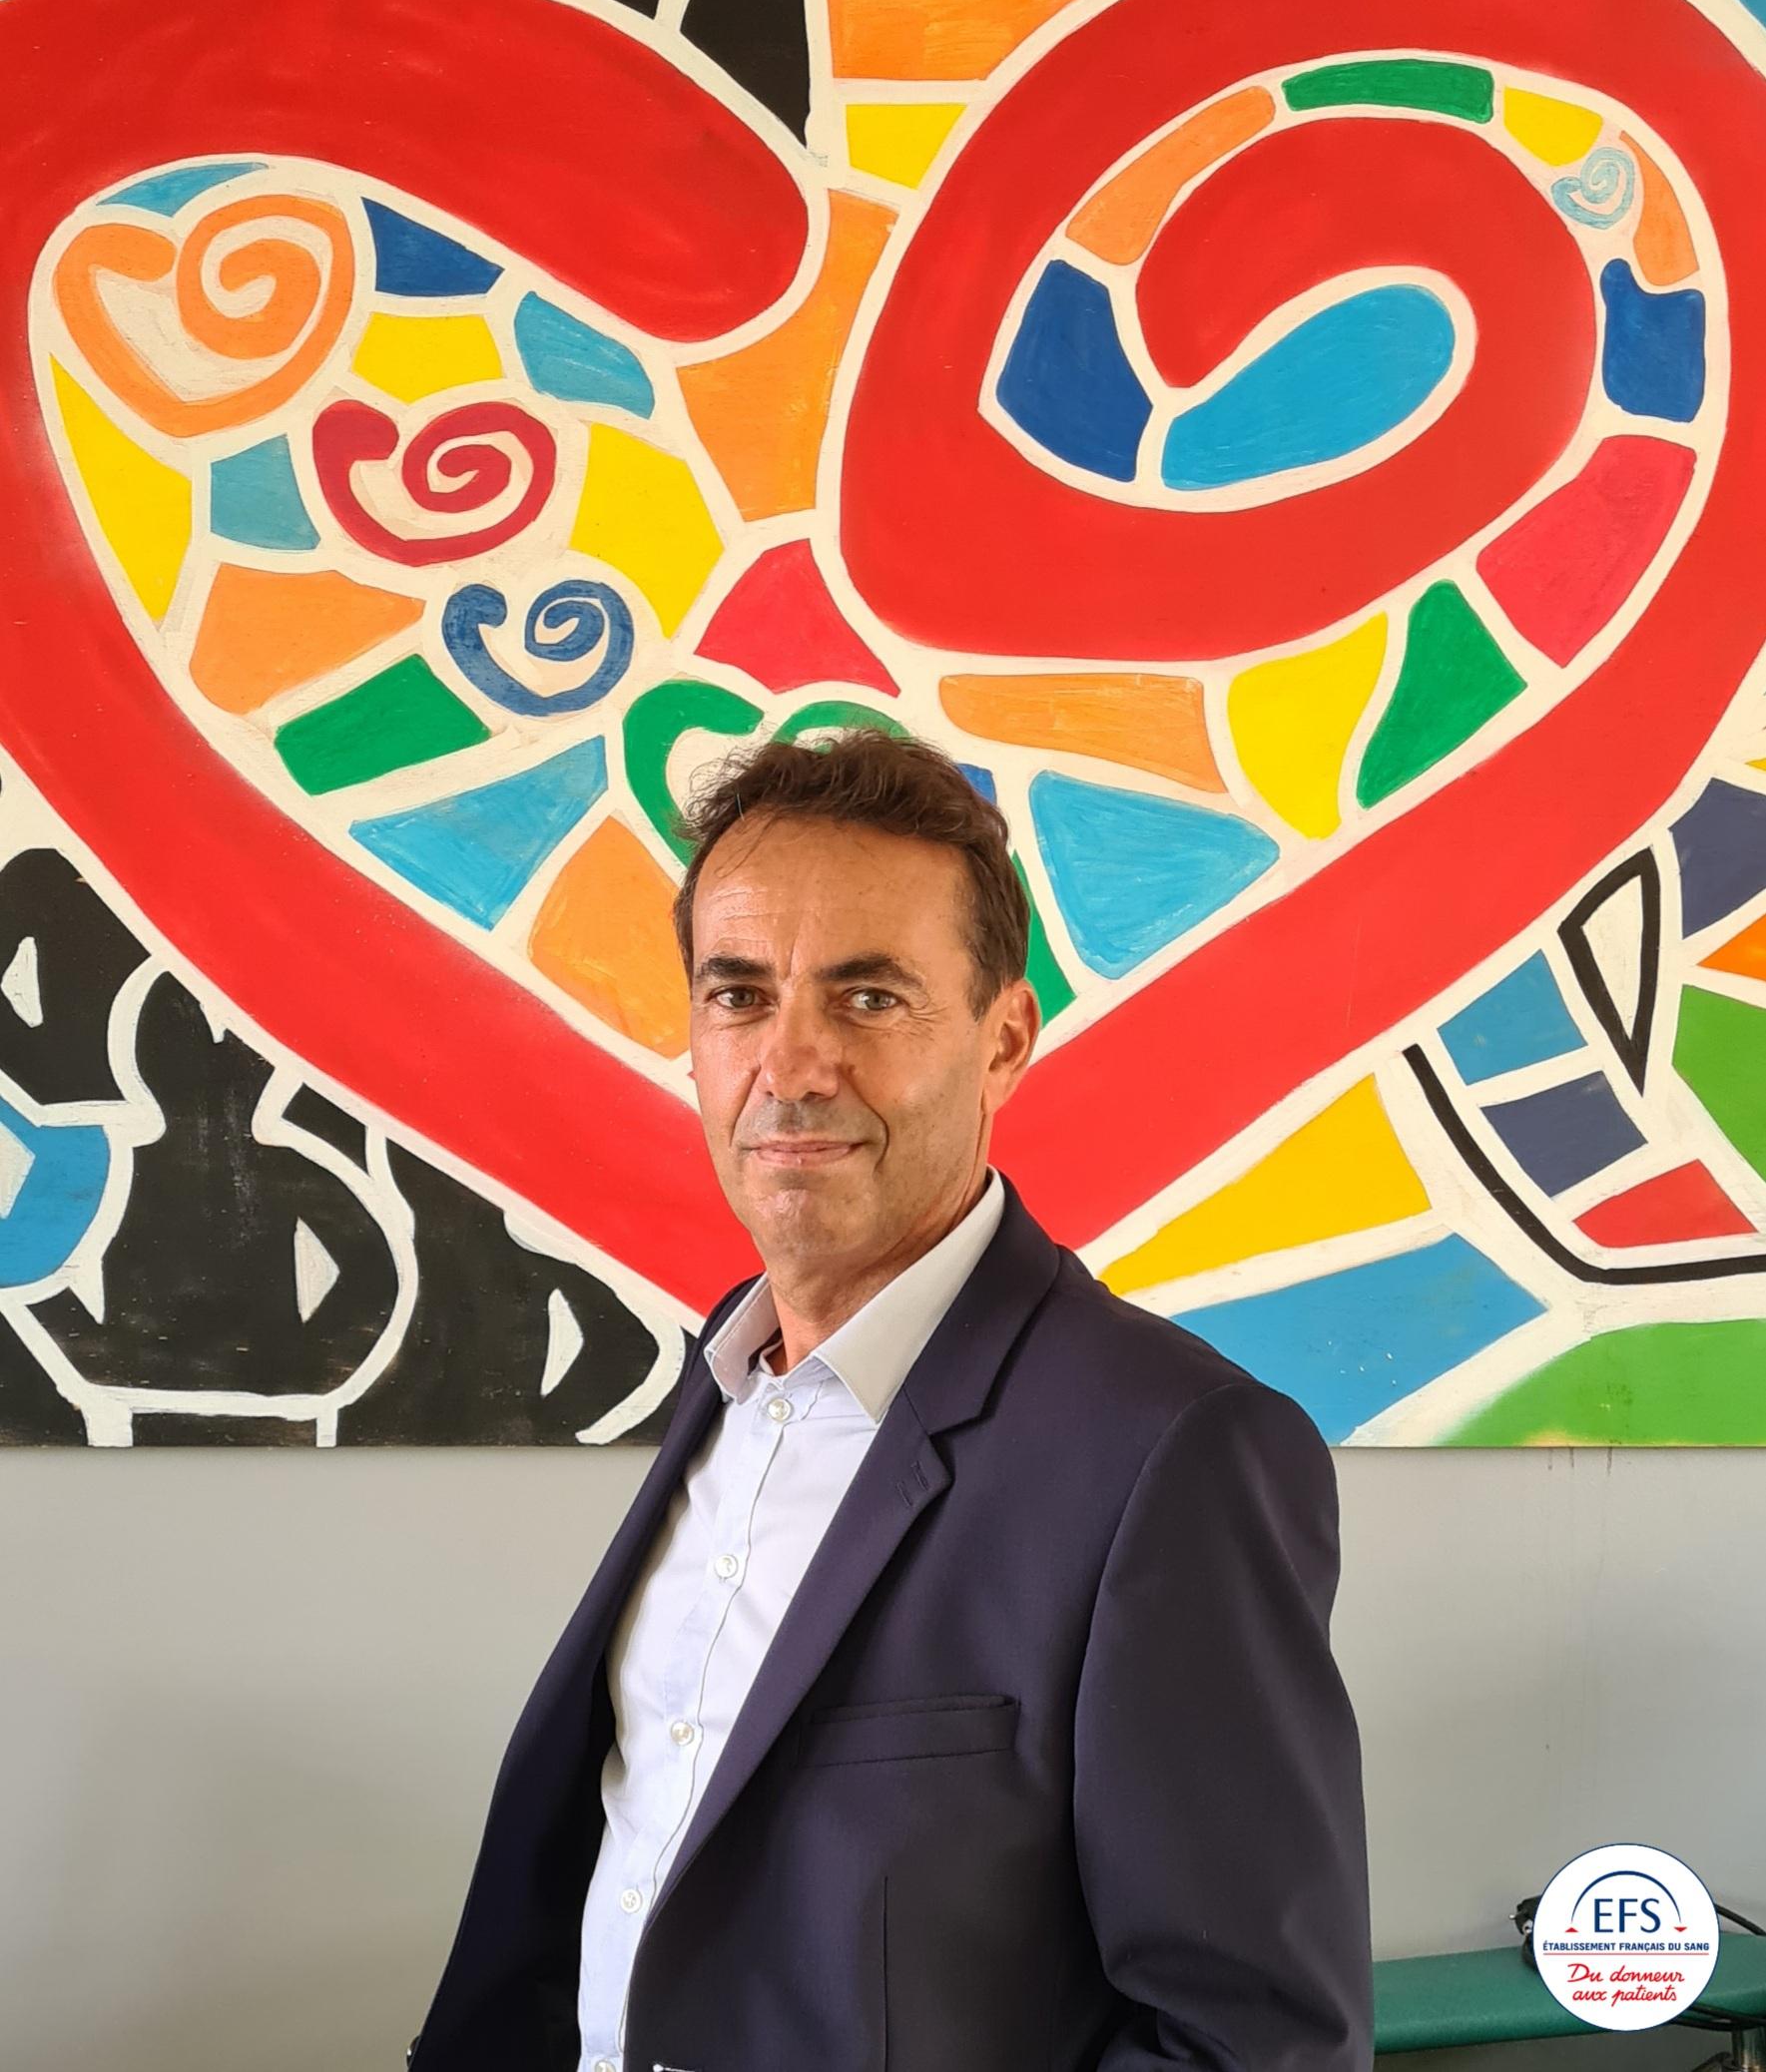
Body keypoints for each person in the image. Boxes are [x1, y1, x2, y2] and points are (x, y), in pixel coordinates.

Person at [410, 729, 1373, 2072]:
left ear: (1003, 1040)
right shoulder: (731, 1374)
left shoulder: (1172, 1453)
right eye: (739, 995)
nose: (790, 1064)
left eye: (867, 997)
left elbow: (1253, 2043)